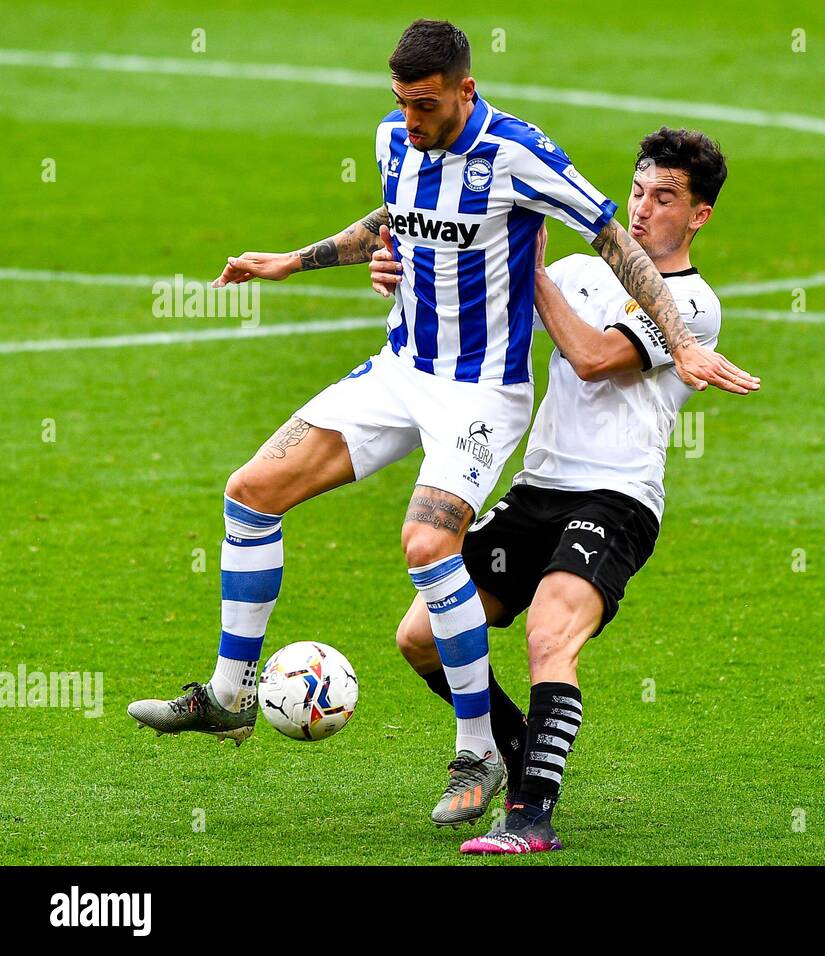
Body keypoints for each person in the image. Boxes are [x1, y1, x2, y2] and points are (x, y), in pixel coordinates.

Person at [127, 20, 758, 828]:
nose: (411, 120)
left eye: (425, 105)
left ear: (465, 89)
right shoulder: (398, 138)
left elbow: (610, 238)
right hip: (400, 369)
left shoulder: (519, 154)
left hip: (478, 394)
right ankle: (227, 695)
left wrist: (678, 338)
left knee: (426, 545)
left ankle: (481, 749)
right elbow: (393, 217)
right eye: (400, 104)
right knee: (251, 492)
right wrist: (298, 259)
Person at [381, 127, 749, 852]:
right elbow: (466, 305)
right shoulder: (585, 266)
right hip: (537, 489)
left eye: (665, 199)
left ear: (700, 214)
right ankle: (508, 755)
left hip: (616, 499)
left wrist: (533, 273)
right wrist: (400, 274)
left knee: (550, 636)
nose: (642, 210)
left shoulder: (692, 306)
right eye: (638, 192)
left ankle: (531, 818)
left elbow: (590, 358)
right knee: (420, 637)